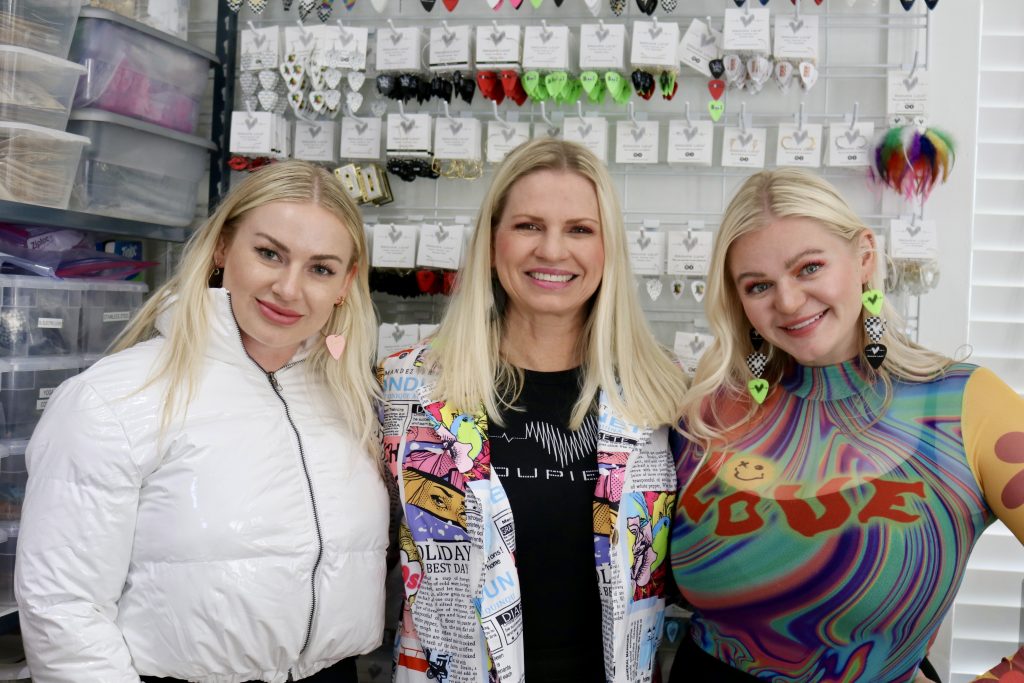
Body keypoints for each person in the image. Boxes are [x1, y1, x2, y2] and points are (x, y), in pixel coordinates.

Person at [15, 161, 390, 682]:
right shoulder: (115, 398)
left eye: (320, 268)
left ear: (346, 284)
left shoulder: (353, 401)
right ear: (221, 249)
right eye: (268, 254)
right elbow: (62, 608)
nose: (288, 288)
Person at [668, 168, 1024, 682]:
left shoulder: (964, 406)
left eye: (809, 268)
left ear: (863, 257)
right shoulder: (708, 412)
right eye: (759, 284)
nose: (787, 302)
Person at [378, 138, 689, 683]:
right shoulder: (407, 388)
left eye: (579, 229)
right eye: (528, 226)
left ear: (607, 248)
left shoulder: (658, 391)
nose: (551, 250)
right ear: (493, 240)